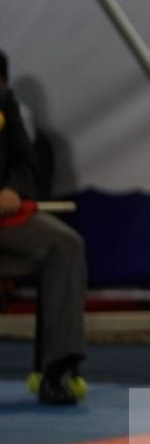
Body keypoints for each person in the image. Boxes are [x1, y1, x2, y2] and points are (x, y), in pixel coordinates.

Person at [0, 61, 87, 407]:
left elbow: (26, 160)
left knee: (65, 245)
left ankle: (57, 369)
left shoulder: (6, 105)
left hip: (5, 217)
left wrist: (13, 190)